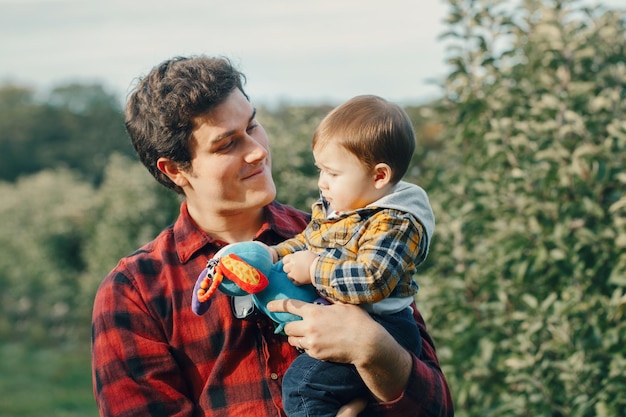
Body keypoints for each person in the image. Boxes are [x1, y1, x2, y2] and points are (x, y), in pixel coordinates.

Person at [90, 55, 454, 417]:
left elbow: (437, 408)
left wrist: (374, 350)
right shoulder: (136, 292)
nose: (258, 151)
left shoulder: (344, 234)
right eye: (227, 144)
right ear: (175, 171)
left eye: (252, 126)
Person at [268, 95, 435, 417]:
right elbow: (308, 241)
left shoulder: (395, 221)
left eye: (332, 173)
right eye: (321, 170)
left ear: (379, 176)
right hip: (352, 322)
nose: (321, 182)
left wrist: (315, 269)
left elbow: (372, 279)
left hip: (387, 327)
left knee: (303, 388)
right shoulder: (345, 209)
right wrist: (275, 252)